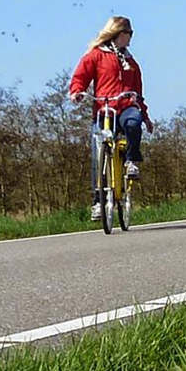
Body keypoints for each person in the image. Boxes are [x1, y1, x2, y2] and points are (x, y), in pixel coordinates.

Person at [69, 16, 153, 221]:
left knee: (134, 123)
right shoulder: (96, 56)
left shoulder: (131, 62)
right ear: (119, 33)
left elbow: (138, 93)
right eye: (129, 33)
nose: (131, 37)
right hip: (104, 109)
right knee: (98, 153)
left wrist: (146, 116)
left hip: (126, 106)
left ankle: (132, 161)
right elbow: (80, 77)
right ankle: (98, 201)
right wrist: (77, 91)